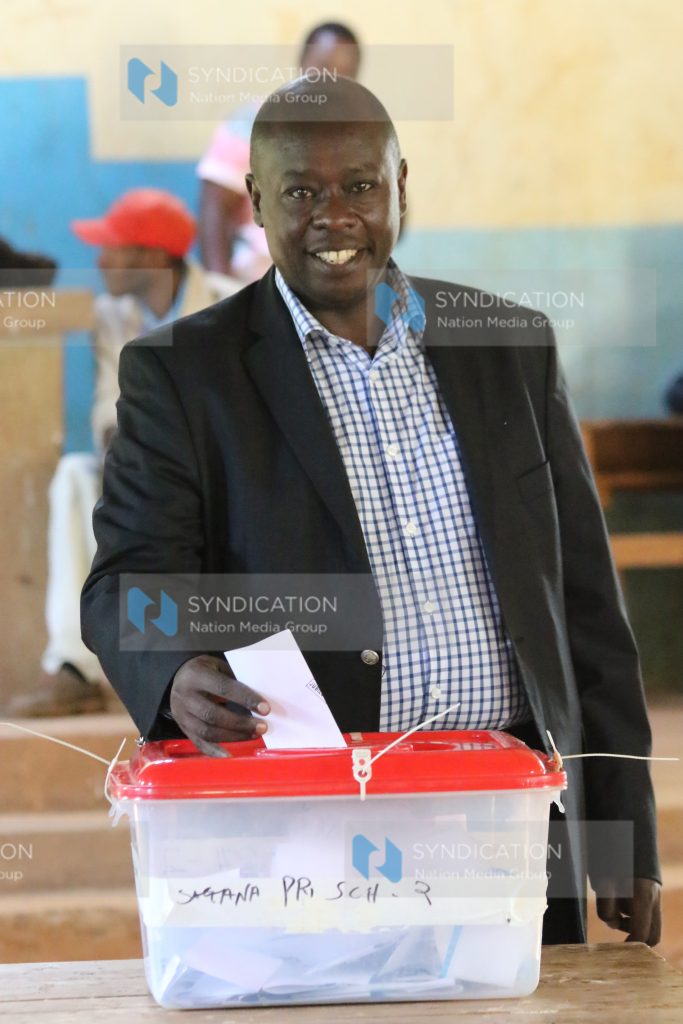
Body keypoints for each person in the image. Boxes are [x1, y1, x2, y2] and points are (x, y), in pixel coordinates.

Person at [81, 78, 661, 948]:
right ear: (257, 202)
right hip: (313, 826)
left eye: (358, 185)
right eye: (301, 192)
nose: (333, 216)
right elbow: (128, 582)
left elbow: (582, 605)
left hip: (510, 813)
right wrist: (173, 670)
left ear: (399, 185)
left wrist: (623, 829)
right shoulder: (184, 375)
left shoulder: (506, 344)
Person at [2, 189, 238, 718]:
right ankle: (74, 667)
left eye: (115, 249)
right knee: (74, 476)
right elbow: (110, 411)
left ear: (154, 258)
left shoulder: (231, 303)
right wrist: (140, 460)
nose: (101, 260)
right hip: (142, 464)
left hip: (221, 473)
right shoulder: (111, 318)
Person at [197, 21, 361, 284]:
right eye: (321, 71)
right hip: (252, 287)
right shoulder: (254, 122)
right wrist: (221, 292)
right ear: (301, 64)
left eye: (343, 77)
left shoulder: (356, 138)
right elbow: (214, 207)